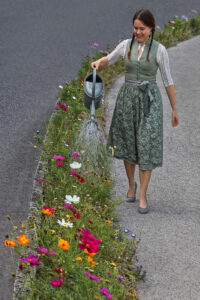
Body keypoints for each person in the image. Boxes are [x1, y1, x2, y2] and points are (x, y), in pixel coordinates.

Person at [91, 9, 179, 214]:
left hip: (150, 102)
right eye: (135, 28)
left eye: (142, 29)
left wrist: (175, 109)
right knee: (128, 144)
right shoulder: (126, 46)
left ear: (151, 29)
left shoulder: (159, 50)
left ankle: (142, 196)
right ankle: (132, 185)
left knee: (146, 144)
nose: (138, 32)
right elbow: (109, 59)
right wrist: (98, 63)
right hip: (128, 100)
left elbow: (168, 80)